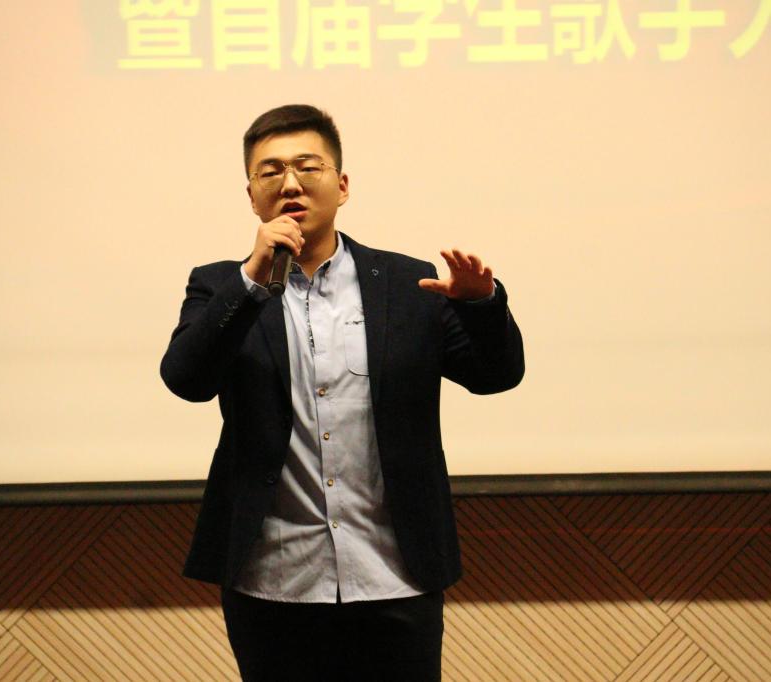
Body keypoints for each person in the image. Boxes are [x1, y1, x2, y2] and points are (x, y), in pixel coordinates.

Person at [160, 104, 524, 681]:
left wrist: (482, 306)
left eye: (308, 167)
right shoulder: (221, 285)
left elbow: (495, 375)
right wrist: (251, 279)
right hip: (273, 579)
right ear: (252, 197)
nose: (291, 184)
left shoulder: (407, 284)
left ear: (343, 185)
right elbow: (186, 379)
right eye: (271, 171)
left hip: (395, 573)